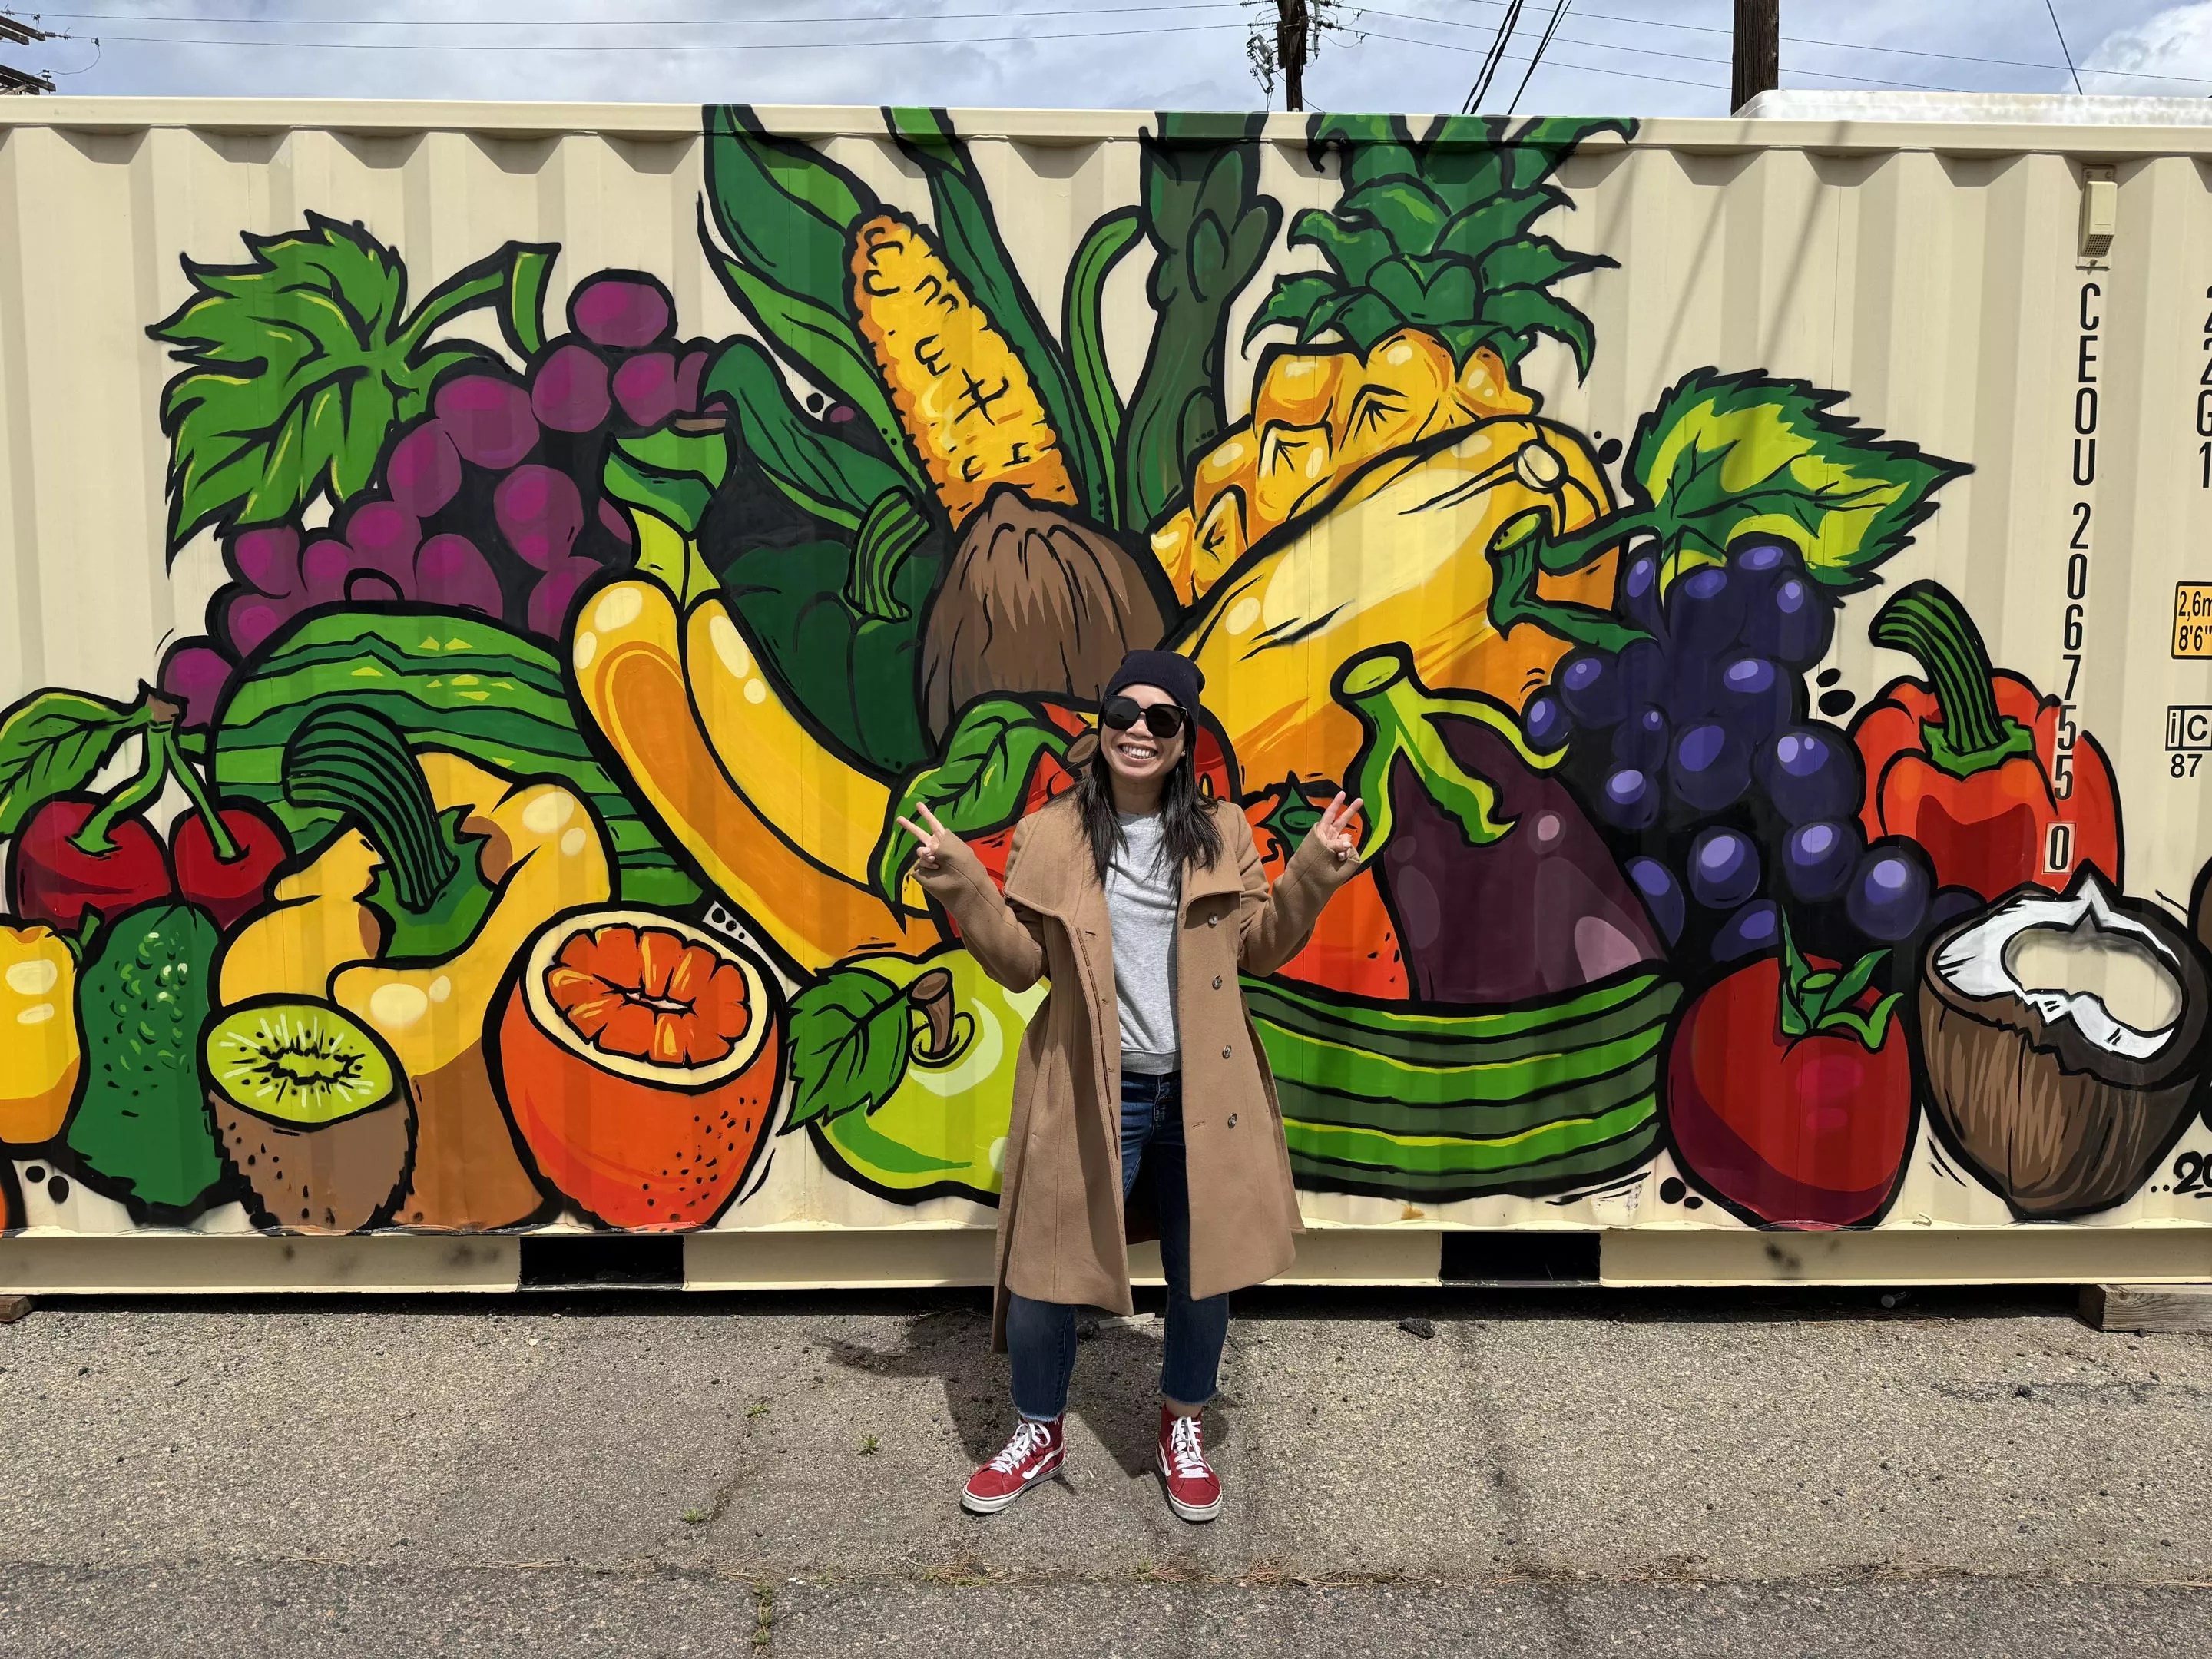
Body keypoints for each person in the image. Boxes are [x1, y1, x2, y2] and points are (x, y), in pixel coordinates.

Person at [899, 648, 1364, 1523]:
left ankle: (1180, 1422)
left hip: (1202, 1089)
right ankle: (1039, 1428)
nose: (1138, 732)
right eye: (1123, 714)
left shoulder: (1222, 830)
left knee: (1204, 1273)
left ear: (1184, 739)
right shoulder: (1051, 833)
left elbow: (1257, 948)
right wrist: (962, 884)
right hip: (1087, 1083)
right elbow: (1022, 964)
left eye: (1161, 719)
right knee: (1042, 1272)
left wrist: (1311, 872)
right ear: (1100, 728)